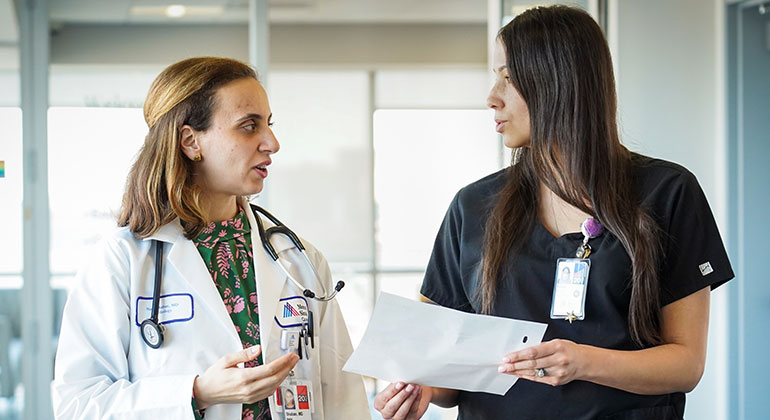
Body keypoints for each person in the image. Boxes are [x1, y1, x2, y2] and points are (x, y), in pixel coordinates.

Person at [374, 5, 733, 420]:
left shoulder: (666, 193)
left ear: (559, 81)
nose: (492, 97)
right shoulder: (473, 207)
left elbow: (686, 364)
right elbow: (442, 368)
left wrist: (584, 362)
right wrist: (420, 389)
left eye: (508, 78)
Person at [53, 57, 369, 420]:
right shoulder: (121, 261)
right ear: (190, 141)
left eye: (269, 125)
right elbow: (77, 406)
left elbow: (344, 401)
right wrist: (195, 393)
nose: (272, 143)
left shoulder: (298, 259)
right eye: (249, 127)